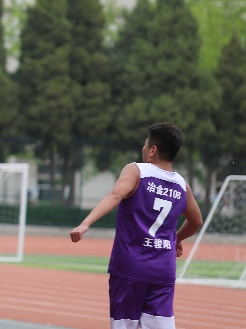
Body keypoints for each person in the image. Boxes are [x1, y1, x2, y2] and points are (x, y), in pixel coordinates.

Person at [70, 122, 203, 329]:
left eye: (145, 144)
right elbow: (196, 221)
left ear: (153, 150)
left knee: (124, 325)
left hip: (130, 266)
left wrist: (85, 223)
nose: (143, 148)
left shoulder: (136, 171)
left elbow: (115, 195)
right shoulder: (181, 185)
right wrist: (176, 239)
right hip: (163, 270)